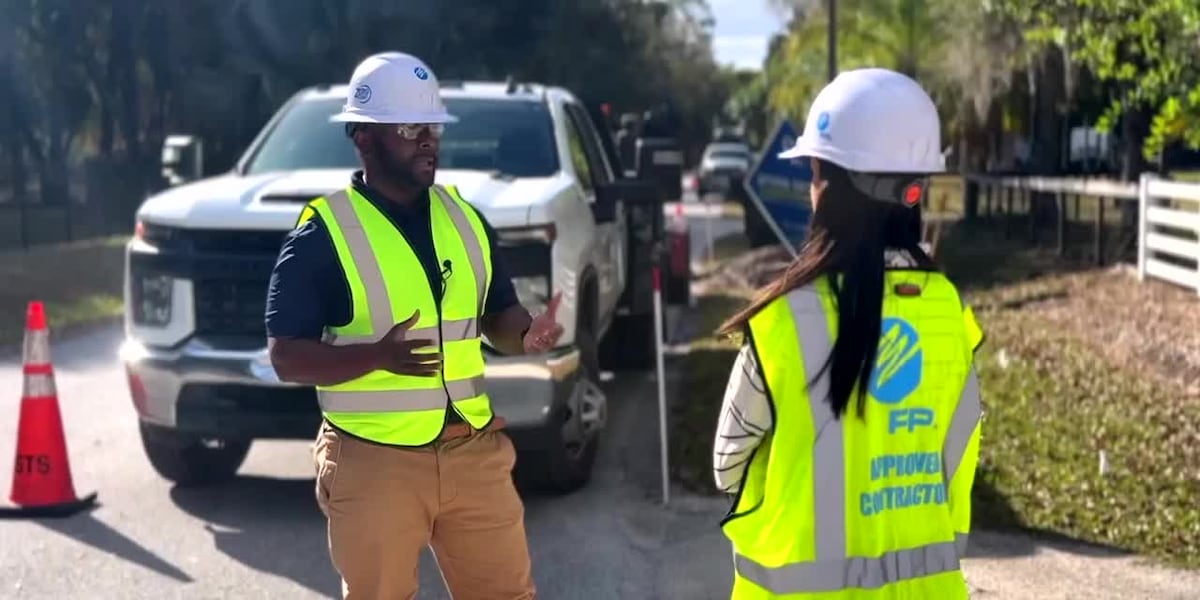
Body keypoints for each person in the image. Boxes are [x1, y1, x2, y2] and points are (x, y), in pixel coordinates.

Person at [265, 51, 561, 600]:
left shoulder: (465, 217)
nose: (428, 140)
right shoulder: (324, 232)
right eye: (410, 128)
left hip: (474, 452)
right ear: (364, 137)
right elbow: (286, 355)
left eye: (433, 127)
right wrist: (373, 357)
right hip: (374, 460)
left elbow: (497, 313)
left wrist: (526, 334)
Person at [711, 68, 984, 599]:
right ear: (915, 189)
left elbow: (729, 467)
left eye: (815, 174)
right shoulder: (949, 313)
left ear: (834, 189)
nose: (811, 190)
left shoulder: (784, 319)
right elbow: (957, 457)